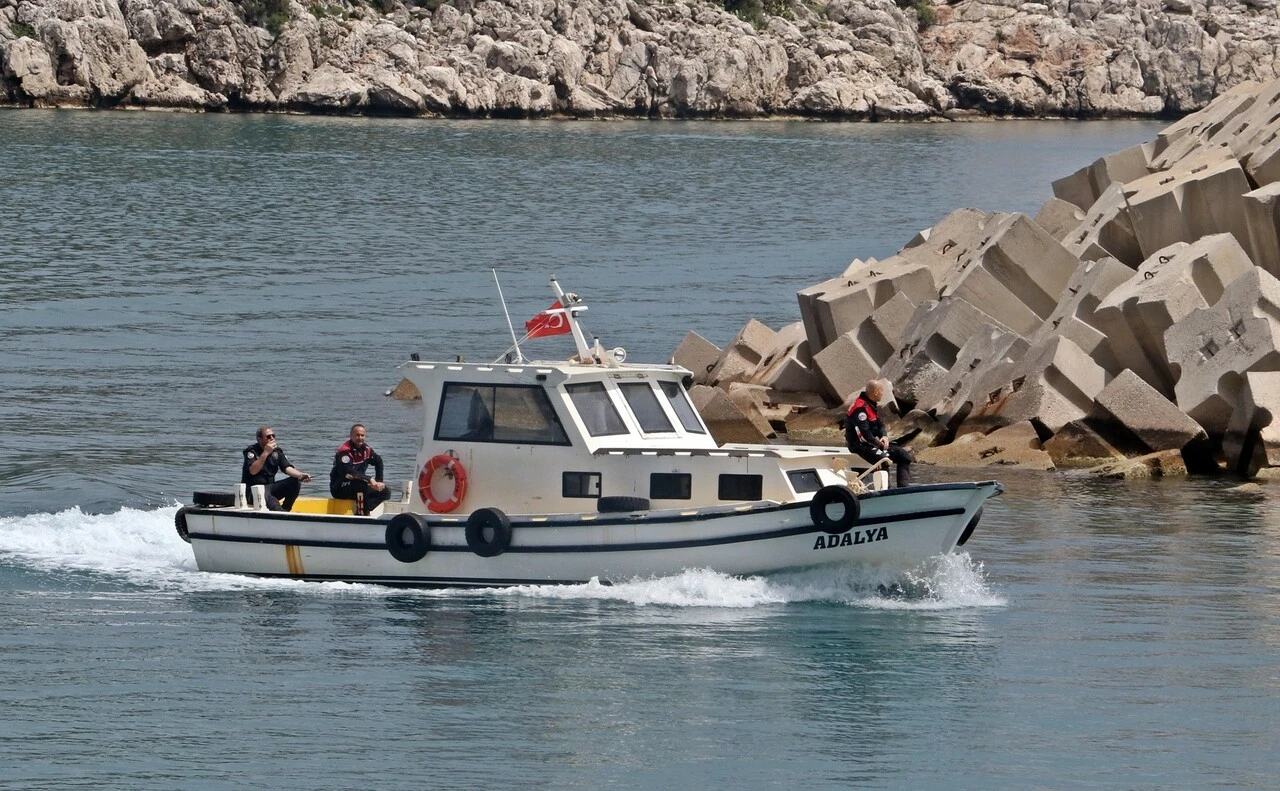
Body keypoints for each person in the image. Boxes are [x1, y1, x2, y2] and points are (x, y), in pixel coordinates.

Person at [845, 380, 914, 487]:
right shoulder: (860, 408)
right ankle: (886, 491)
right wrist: (880, 445)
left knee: (904, 456)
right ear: (876, 392)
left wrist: (884, 437)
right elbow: (864, 435)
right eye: (882, 391)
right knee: (883, 459)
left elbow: (880, 424)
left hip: (871, 443)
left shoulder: (870, 405)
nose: (883, 393)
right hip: (859, 445)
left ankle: (903, 489)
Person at [242, 426, 312, 511]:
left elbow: (287, 468)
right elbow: (253, 471)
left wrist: (300, 475)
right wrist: (266, 453)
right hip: (254, 491)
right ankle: (281, 513)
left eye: (273, 436)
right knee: (273, 502)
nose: (272, 438)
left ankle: (286, 509)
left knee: (295, 481)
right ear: (260, 439)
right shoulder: (251, 451)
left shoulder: (277, 452)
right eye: (268, 436)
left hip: (270, 487)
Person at [329, 423, 389, 514]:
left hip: (359, 485)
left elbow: (378, 461)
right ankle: (362, 514)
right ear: (351, 436)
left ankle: (364, 508)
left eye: (362, 435)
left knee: (385, 491)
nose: (360, 438)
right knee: (361, 485)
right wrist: (369, 479)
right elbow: (348, 471)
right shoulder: (344, 451)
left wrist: (379, 481)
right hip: (340, 487)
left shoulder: (366, 450)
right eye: (357, 435)